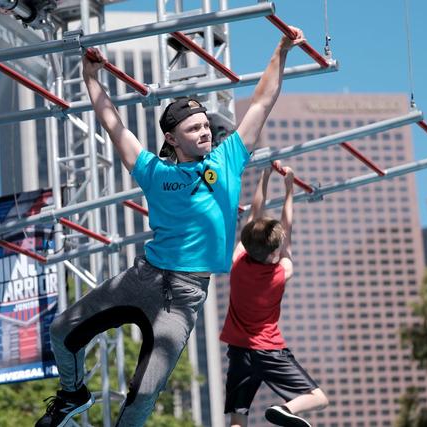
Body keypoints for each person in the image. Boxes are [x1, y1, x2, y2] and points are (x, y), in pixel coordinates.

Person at [35, 26, 306, 427]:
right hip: (143, 277)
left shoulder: (227, 160)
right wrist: (90, 77)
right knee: (62, 330)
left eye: (206, 126)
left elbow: (263, 101)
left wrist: (280, 50)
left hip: (184, 296)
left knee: (144, 393)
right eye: (194, 128)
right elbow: (114, 125)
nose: (205, 132)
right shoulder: (154, 171)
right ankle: (73, 394)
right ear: (172, 138)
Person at [220, 162, 328, 427]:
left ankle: (283, 410)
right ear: (273, 253)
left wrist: (264, 176)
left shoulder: (237, 262)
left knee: (238, 417)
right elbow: (286, 228)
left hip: (239, 350)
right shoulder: (282, 272)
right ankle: (284, 409)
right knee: (318, 397)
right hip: (268, 349)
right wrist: (289, 188)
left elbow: (254, 213)